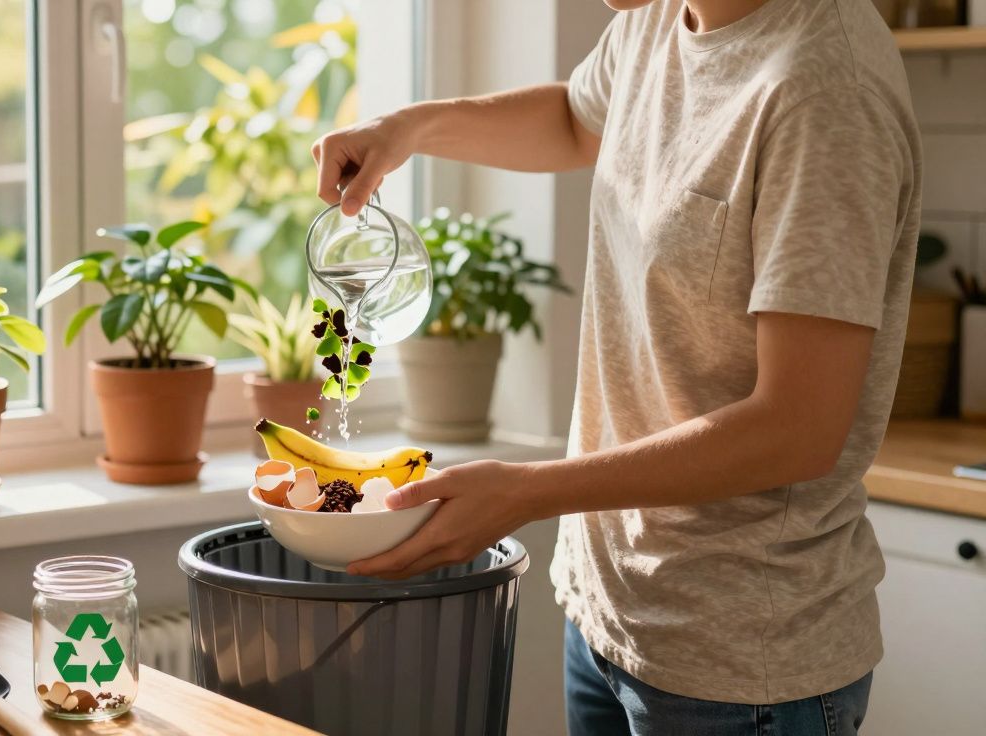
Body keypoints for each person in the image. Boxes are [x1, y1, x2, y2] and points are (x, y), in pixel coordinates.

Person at [312, 0, 921, 733]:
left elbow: (798, 428)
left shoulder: (827, 90)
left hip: (741, 665)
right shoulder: (659, 16)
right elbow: (574, 120)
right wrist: (407, 128)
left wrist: (528, 492)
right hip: (608, 617)